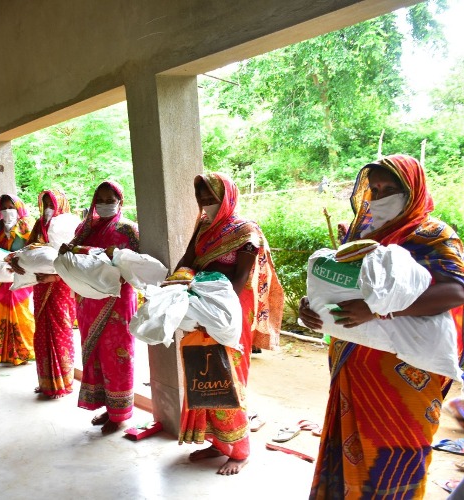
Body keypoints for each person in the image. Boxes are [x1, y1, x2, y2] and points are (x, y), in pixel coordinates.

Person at [298, 155, 464, 498]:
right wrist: (312, 306)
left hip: (406, 374)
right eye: (374, 188)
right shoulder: (362, 234)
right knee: (348, 450)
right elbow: (341, 286)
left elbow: (456, 290)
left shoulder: (433, 235)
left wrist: (379, 311)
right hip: (353, 365)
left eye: (391, 188)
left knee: (397, 456)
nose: (380, 195)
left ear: (413, 190)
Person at [171, 172, 283, 475]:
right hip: (201, 305)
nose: (206, 202)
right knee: (201, 371)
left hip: (230, 311)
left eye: (212, 197)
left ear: (227, 197)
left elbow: (240, 278)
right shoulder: (204, 226)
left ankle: (240, 451)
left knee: (228, 376)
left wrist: (212, 315)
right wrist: (173, 287)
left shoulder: (246, 231)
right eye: (202, 197)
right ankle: (217, 443)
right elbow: (188, 260)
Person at [59, 181, 139, 434]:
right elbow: (72, 253)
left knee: (117, 355)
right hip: (88, 301)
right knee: (96, 355)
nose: (104, 205)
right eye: (100, 200)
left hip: (117, 301)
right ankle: (108, 407)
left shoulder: (128, 230)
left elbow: (135, 263)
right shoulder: (85, 228)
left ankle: (120, 413)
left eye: (110, 200)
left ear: (120, 201)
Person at [11, 189, 77, 398]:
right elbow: (28, 248)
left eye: (52, 204)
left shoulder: (70, 226)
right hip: (40, 284)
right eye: (45, 204)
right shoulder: (39, 224)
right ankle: (46, 380)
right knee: (42, 330)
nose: (48, 209)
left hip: (60, 285)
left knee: (59, 330)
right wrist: (17, 260)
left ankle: (63, 382)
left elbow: (75, 261)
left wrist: (54, 278)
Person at [0, 194, 35, 365]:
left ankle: (25, 351)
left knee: (22, 312)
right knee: (3, 312)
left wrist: (18, 260)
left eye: (11, 207)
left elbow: (36, 247)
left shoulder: (27, 224)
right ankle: (7, 353)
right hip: (3, 277)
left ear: (18, 207)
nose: (7, 211)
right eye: (3, 208)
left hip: (21, 275)